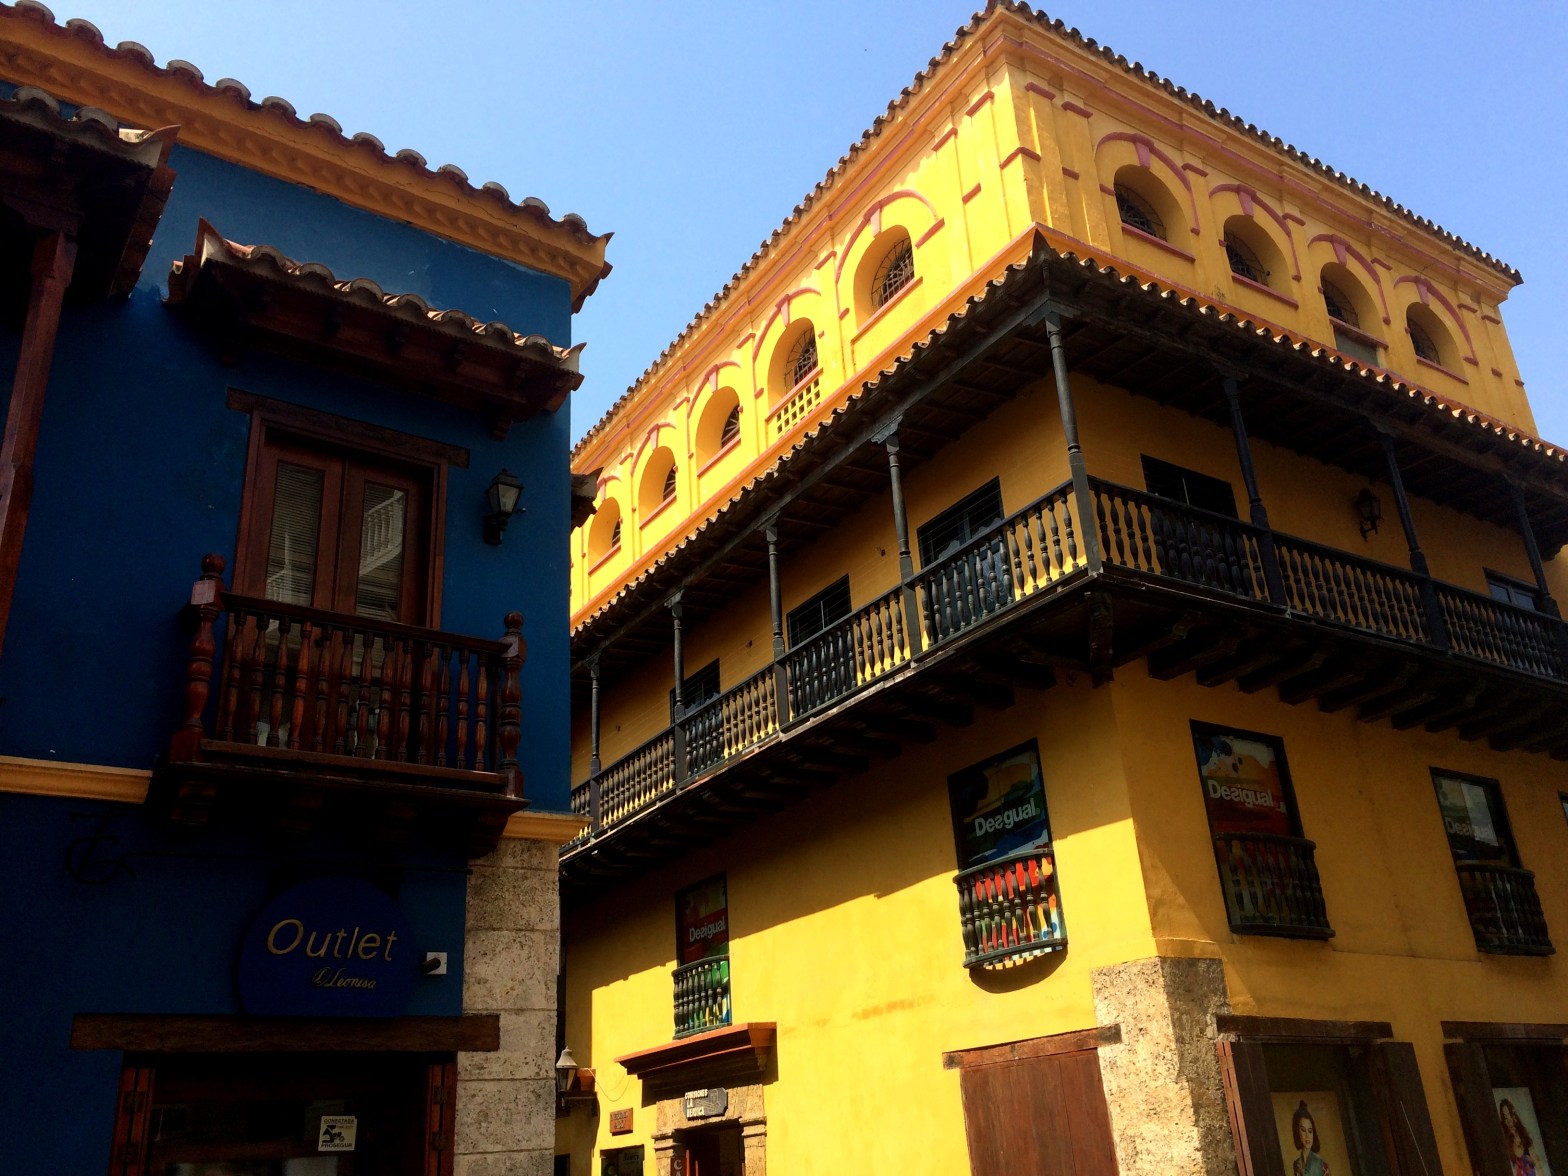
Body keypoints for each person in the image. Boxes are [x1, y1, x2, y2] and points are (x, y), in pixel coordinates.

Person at [1499, 1098, 1541, 1176]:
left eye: (1510, 1115)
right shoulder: (1504, 1142)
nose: (1509, 1120)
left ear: (1514, 1115)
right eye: (1505, 1117)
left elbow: (1537, 1163)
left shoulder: (1524, 1136)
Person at [1291, 1100, 1330, 1176]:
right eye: (1303, 1130)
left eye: (1310, 1131)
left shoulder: (1320, 1163)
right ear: (1297, 1132)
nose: (1307, 1135)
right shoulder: (1297, 1164)